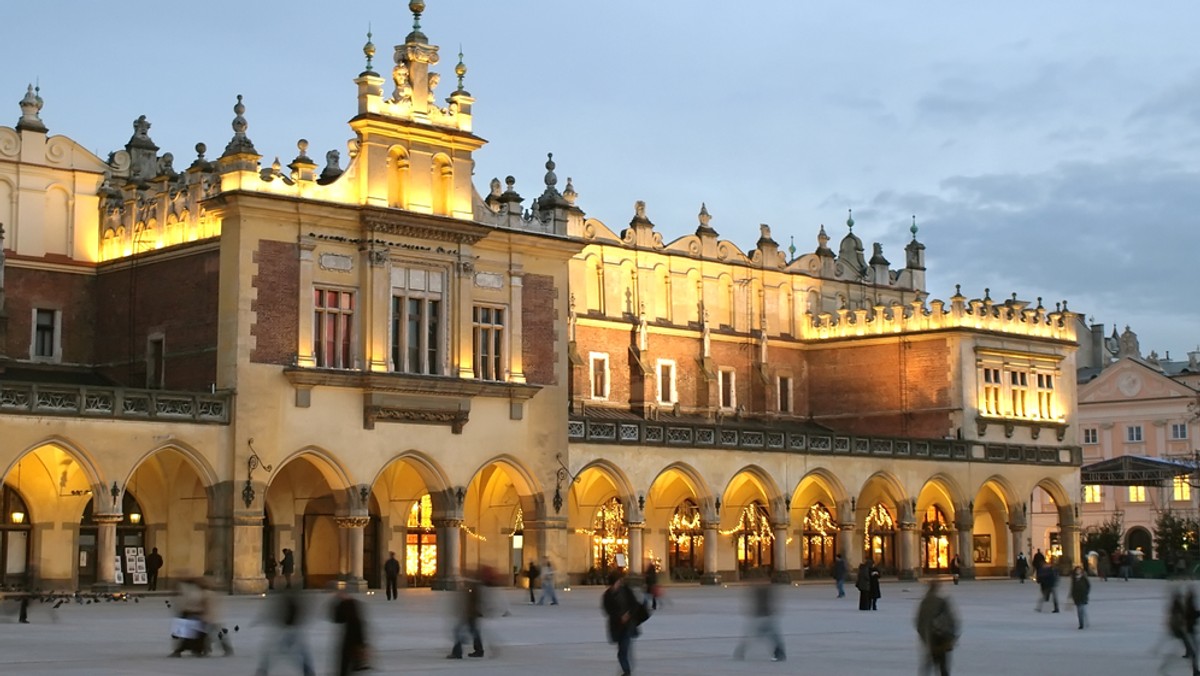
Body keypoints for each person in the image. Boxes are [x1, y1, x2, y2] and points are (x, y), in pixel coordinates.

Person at [254, 585, 315, 676]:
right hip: (290, 630)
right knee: (300, 652)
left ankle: (263, 669)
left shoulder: (288, 601)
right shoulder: (292, 601)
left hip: (288, 631)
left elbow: (279, 614)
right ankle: (308, 670)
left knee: (275, 651)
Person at [733, 578, 785, 662]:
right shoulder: (763, 589)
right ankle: (779, 653)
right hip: (763, 617)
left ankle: (741, 650)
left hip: (764, 617)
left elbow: (768, 602)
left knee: (769, 636)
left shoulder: (763, 590)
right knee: (772, 636)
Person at [602, 571, 642, 676]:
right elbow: (608, 611)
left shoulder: (626, 591)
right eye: (618, 581)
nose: (620, 582)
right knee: (621, 652)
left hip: (628, 625)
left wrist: (628, 615)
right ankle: (627, 668)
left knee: (623, 650)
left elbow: (634, 604)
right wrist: (619, 617)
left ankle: (627, 671)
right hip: (617, 626)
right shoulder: (607, 595)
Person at [915, 580, 959, 676]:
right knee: (942, 665)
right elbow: (952, 620)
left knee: (929, 664)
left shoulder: (925, 602)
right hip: (942, 636)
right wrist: (952, 636)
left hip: (931, 637)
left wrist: (924, 637)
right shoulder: (942, 601)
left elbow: (919, 622)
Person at [331, 590, 368, 676]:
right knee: (348, 667)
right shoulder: (353, 611)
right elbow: (338, 619)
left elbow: (337, 619)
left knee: (345, 667)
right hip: (352, 643)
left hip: (350, 643)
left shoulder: (350, 611)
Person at [447, 575, 485, 659]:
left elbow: (471, 603)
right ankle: (479, 650)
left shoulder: (472, 590)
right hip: (470, 614)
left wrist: (467, 612)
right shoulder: (473, 589)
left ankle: (457, 652)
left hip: (469, 614)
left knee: (459, 631)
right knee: (473, 631)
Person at [1070, 565, 1090, 629]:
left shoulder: (1084, 578)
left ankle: (1082, 623)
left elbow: (1088, 586)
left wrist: (1086, 592)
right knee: (1080, 610)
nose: (1078, 571)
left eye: (1079, 570)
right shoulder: (1074, 579)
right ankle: (1081, 622)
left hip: (1083, 595)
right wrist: (1072, 595)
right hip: (1077, 596)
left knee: (1081, 609)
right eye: (1077, 570)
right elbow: (1073, 587)